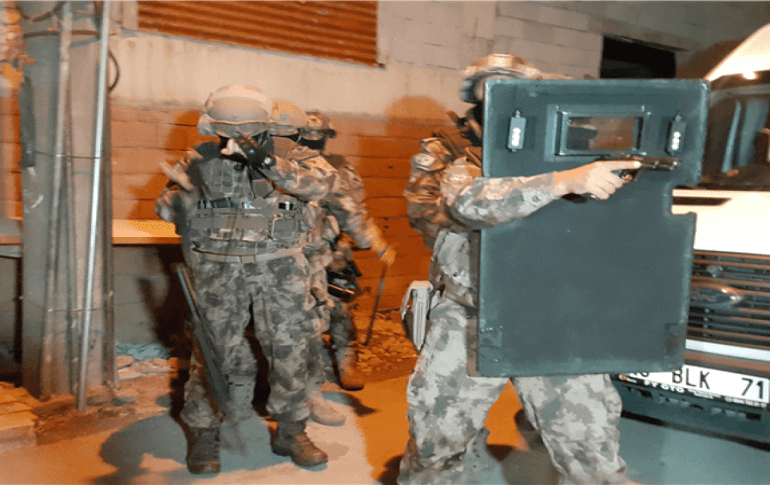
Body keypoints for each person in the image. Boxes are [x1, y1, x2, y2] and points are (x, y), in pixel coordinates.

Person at [398, 54, 640, 485]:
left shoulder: (575, 154)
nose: (497, 108)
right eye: (486, 100)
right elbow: (466, 202)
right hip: (471, 313)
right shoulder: (464, 159)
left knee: (589, 449)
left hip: (556, 316)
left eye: (511, 97)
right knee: (436, 438)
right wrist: (562, 183)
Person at [155, 85, 349, 473]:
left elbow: (324, 185)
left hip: (280, 267)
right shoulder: (200, 157)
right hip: (220, 268)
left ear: (263, 126)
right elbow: (165, 207)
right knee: (212, 352)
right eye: (225, 131)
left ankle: (291, 431)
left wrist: (268, 162)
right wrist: (182, 200)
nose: (233, 139)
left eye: (243, 130)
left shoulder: (290, 154)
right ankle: (205, 432)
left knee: (290, 350)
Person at [300, 111, 388, 393]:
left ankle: (346, 361)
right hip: (294, 252)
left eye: (318, 138)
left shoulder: (338, 167)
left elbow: (353, 207)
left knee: (341, 306)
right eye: (308, 138)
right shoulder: (284, 165)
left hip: (333, 247)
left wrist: (372, 240)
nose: (313, 143)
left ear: (327, 138)